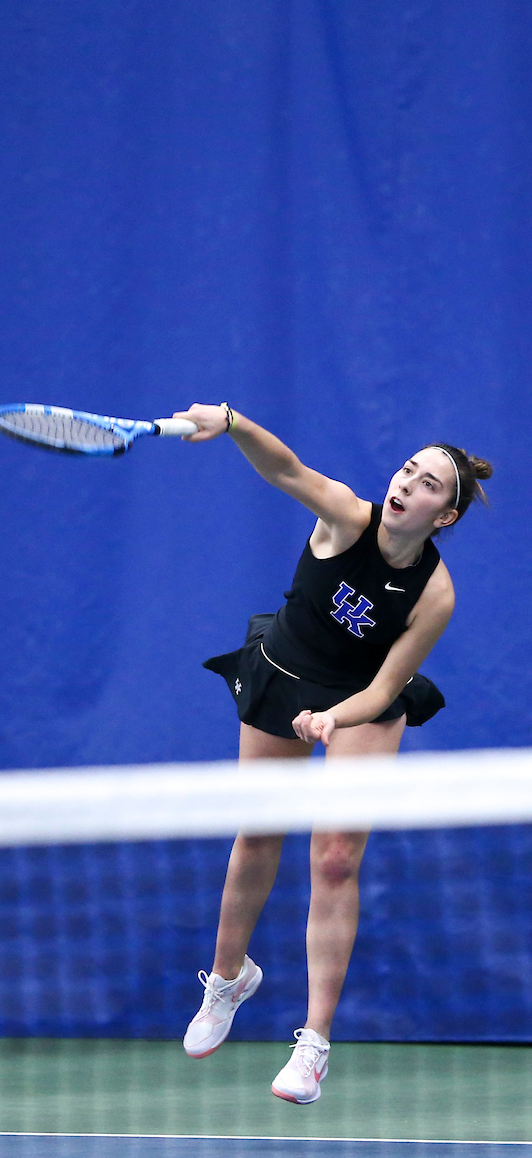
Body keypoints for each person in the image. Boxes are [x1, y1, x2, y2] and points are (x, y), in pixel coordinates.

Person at [174, 402, 492, 1104]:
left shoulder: (434, 594)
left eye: (430, 483)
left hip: (361, 700)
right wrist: (230, 422)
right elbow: (282, 468)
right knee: (258, 833)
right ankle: (229, 978)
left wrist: (332, 717)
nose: (408, 482)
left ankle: (314, 1043)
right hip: (285, 673)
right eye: (408, 468)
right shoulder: (347, 515)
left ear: (446, 516)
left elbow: (384, 686)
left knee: (337, 856)